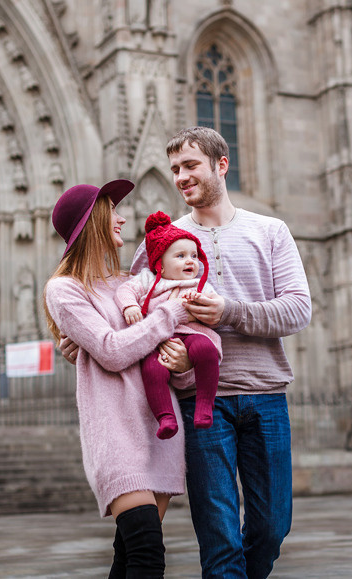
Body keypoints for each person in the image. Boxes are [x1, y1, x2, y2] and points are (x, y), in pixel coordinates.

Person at [62, 127, 312, 578]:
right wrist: (83, 342)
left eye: (190, 165)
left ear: (221, 164)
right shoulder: (158, 241)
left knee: (272, 529)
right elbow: (130, 315)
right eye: (175, 168)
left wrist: (228, 311)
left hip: (266, 395)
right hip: (200, 405)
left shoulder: (271, 231)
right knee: (219, 540)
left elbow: (298, 310)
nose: (180, 176)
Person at [42, 179, 196, 578]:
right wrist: (170, 315)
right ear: (92, 221)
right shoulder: (65, 289)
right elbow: (112, 351)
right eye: (113, 211)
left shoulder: (132, 283)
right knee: (147, 553)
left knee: (128, 556)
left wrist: (182, 362)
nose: (123, 218)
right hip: (115, 434)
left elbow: (159, 347)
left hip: (159, 432)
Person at [115, 211, 222, 440]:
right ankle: (165, 417)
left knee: (206, 350)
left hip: (193, 334)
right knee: (152, 369)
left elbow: (214, 308)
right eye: (181, 255)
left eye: (194, 255)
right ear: (160, 265)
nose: (190, 261)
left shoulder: (199, 285)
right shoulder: (148, 280)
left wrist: (200, 308)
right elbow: (125, 290)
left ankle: (204, 405)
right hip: (159, 340)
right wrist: (129, 306)